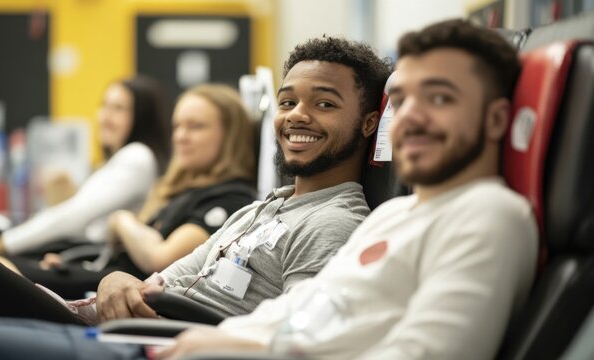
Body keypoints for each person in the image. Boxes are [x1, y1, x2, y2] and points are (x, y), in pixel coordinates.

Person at [157, 19, 539, 360]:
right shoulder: (393, 214)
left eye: (439, 98)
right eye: (402, 101)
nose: (411, 118)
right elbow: (296, 311)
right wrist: (210, 342)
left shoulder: (489, 214)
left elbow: (425, 351)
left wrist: (244, 348)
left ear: (495, 120)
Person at [0, 36, 391, 328]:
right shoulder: (259, 208)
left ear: (370, 123)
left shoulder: (334, 223)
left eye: (324, 103)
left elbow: (296, 338)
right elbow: (159, 278)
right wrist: (115, 282)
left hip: (153, 343)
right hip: (119, 320)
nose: (297, 114)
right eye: (288, 101)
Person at [0, 84, 259, 299]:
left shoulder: (231, 199)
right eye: (177, 126)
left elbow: (161, 259)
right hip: (103, 280)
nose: (180, 136)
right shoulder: (184, 189)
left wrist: (121, 220)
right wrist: (72, 263)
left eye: (196, 126)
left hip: (123, 296)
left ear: (230, 136)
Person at [0, 75, 171, 256]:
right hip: (72, 247)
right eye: (104, 105)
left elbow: (73, 217)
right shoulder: (120, 160)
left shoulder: (137, 157)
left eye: (118, 108)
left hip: (83, 256)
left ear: (142, 118)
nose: (106, 115)